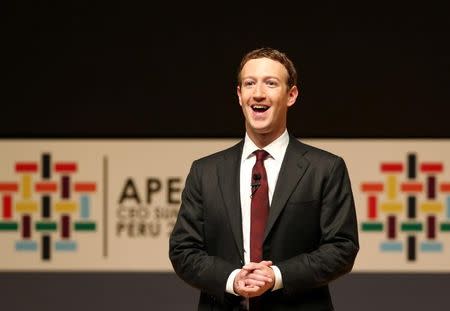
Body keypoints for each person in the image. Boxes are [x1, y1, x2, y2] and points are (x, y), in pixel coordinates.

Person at [169, 47, 359, 310]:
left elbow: (342, 248)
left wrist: (276, 276)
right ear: (239, 95)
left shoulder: (325, 168)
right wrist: (233, 279)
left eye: (271, 83)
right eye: (249, 84)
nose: (258, 93)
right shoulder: (205, 172)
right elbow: (183, 250)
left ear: (291, 95)